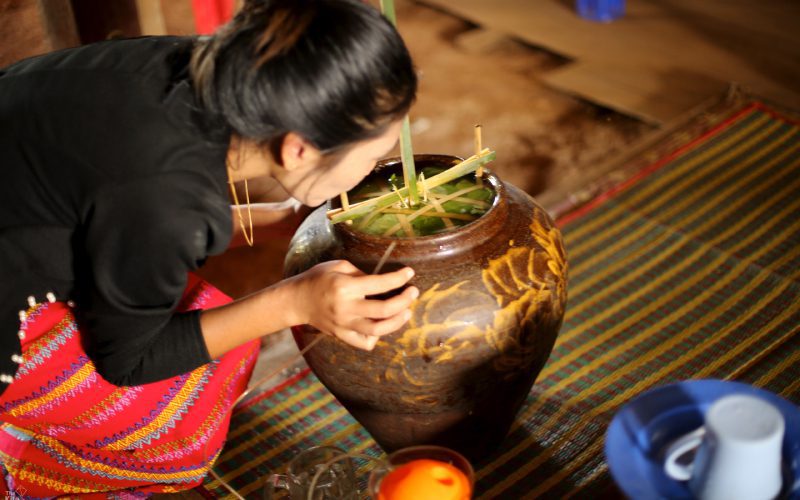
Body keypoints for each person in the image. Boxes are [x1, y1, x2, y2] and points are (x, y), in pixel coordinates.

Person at [0, 0, 419, 496]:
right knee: (185, 416)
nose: (374, 167)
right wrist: (294, 300)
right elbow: (126, 363)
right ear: (299, 149)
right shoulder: (166, 200)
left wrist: (282, 220)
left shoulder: (196, 63)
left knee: (221, 324)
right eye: (373, 154)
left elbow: (119, 204)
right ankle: (31, 462)